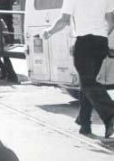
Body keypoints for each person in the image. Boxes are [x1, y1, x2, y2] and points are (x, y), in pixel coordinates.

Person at [43, 0, 114, 138]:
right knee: (87, 82)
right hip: (100, 43)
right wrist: (101, 34)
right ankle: (84, 124)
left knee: (88, 83)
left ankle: (111, 114)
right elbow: (111, 21)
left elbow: (64, 20)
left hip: (84, 43)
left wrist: (49, 31)